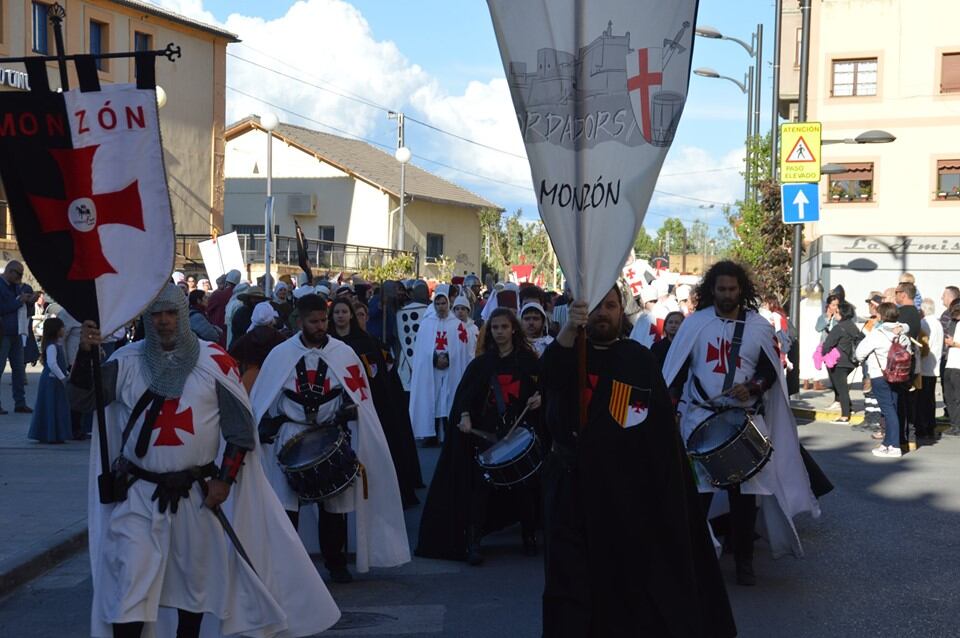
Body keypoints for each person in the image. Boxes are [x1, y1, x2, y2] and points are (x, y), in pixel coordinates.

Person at [68, 284, 339, 638]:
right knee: (128, 585)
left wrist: (224, 481)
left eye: (171, 313)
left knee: (193, 589)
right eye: (156, 314)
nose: (164, 321)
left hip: (195, 495)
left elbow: (240, 431)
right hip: (138, 495)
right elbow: (83, 401)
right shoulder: (127, 362)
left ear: (183, 315)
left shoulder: (213, 362)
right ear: (147, 319)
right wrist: (85, 356)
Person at [540, 286, 735, 637]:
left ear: (621, 311)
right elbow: (548, 377)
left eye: (611, 306)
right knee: (569, 581)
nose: (603, 313)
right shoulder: (568, 351)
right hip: (570, 491)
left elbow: (655, 432)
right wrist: (568, 329)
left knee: (621, 583)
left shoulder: (637, 360)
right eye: (596, 306)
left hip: (621, 494)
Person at [663, 261, 822, 586]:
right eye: (721, 289)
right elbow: (677, 371)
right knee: (699, 493)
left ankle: (744, 563)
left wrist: (752, 387)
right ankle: (698, 560)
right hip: (701, 419)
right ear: (712, 289)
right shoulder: (696, 324)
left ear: (741, 290)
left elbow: (770, 372)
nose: (726, 294)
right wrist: (672, 408)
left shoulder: (759, 327)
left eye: (732, 289)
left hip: (744, 421)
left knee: (744, 494)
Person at [251, 293, 410, 583]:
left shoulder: (343, 353)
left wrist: (349, 411)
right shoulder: (281, 354)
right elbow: (264, 397)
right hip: (291, 434)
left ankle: (336, 563)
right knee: (286, 503)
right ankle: (288, 565)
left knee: (335, 503)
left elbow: (359, 398)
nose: (321, 326)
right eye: (314, 321)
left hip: (331, 434)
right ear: (300, 322)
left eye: (323, 320)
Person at [417, 308, 542, 565]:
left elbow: (545, 388)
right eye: (495, 327)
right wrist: (464, 416)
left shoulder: (529, 361)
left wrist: (540, 397)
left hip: (518, 434)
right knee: (479, 489)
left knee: (524, 488)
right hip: (487, 436)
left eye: (504, 327)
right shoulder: (481, 364)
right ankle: (474, 541)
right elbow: (465, 396)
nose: (499, 332)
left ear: (513, 329)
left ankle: (529, 536)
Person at [329, 298, 421, 509]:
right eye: (337, 312)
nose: (340, 316)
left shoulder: (367, 343)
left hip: (365, 404)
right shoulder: (327, 343)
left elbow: (377, 377)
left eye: (344, 312)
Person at [408, 285, 471, 443]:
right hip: (432, 369)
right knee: (432, 399)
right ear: (434, 304)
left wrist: (449, 358)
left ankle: (450, 433)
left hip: (451, 369)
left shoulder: (457, 325)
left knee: (449, 400)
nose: (441, 307)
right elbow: (421, 349)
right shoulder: (426, 324)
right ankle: (431, 434)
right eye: (437, 304)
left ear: (448, 303)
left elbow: (463, 348)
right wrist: (434, 359)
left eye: (443, 303)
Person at [855, 302, 912, 457]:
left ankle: (894, 446)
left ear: (881, 315)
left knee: (887, 410)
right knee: (893, 408)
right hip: (898, 376)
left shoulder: (877, 334)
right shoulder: (902, 334)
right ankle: (887, 443)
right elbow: (909, 351)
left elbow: (859, 353)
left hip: (880, 375)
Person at [27, 317, 73, 444]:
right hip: (52, 381)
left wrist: (66, 374)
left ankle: (54, 433)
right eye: (62, 327)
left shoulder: (56, 345)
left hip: (55, 380)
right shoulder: (52, 346)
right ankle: (51, 433)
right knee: (52, 406)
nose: (64, 329)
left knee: (55, 406)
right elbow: (52, 364)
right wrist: (63, 377)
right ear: (56, 330)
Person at [0, 261, 36, 414]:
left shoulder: (15, 286)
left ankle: (20, 403)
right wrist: (18, 302)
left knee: (19, 370)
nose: (20, 278)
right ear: (10, 271)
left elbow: (22, 307)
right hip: (3, 334)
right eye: (19, 274)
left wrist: (29, 301)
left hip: (16, 332)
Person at [229, 302, 287, 392]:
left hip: (249, 383)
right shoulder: (281, 339)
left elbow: (231, 358)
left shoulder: (245, 339)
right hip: (276, 382)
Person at [821, 301, 861, 424]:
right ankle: (849, 408)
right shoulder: (853, 326)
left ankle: (845, 416)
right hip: (851, 361)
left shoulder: (838, 328)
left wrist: (823, 355)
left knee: (841, 388)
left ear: (842, 314)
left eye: (837, 312)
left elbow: (827, 345)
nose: (835, 314)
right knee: (842, 386)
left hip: (838, 361)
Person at [917, 298, 943, 443]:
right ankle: (930, 427)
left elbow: (923, 345)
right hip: (934, 367)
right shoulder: (938, 323)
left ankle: (923, 428)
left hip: (924, 367)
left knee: (922, 400)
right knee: (930, 399)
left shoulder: (924, 323)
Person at [205, 268, 241, 338]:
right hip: (235, 330)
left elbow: (207, 310)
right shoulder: (240, 295)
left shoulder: (218, 294)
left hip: (219, 329)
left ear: (226, 282)